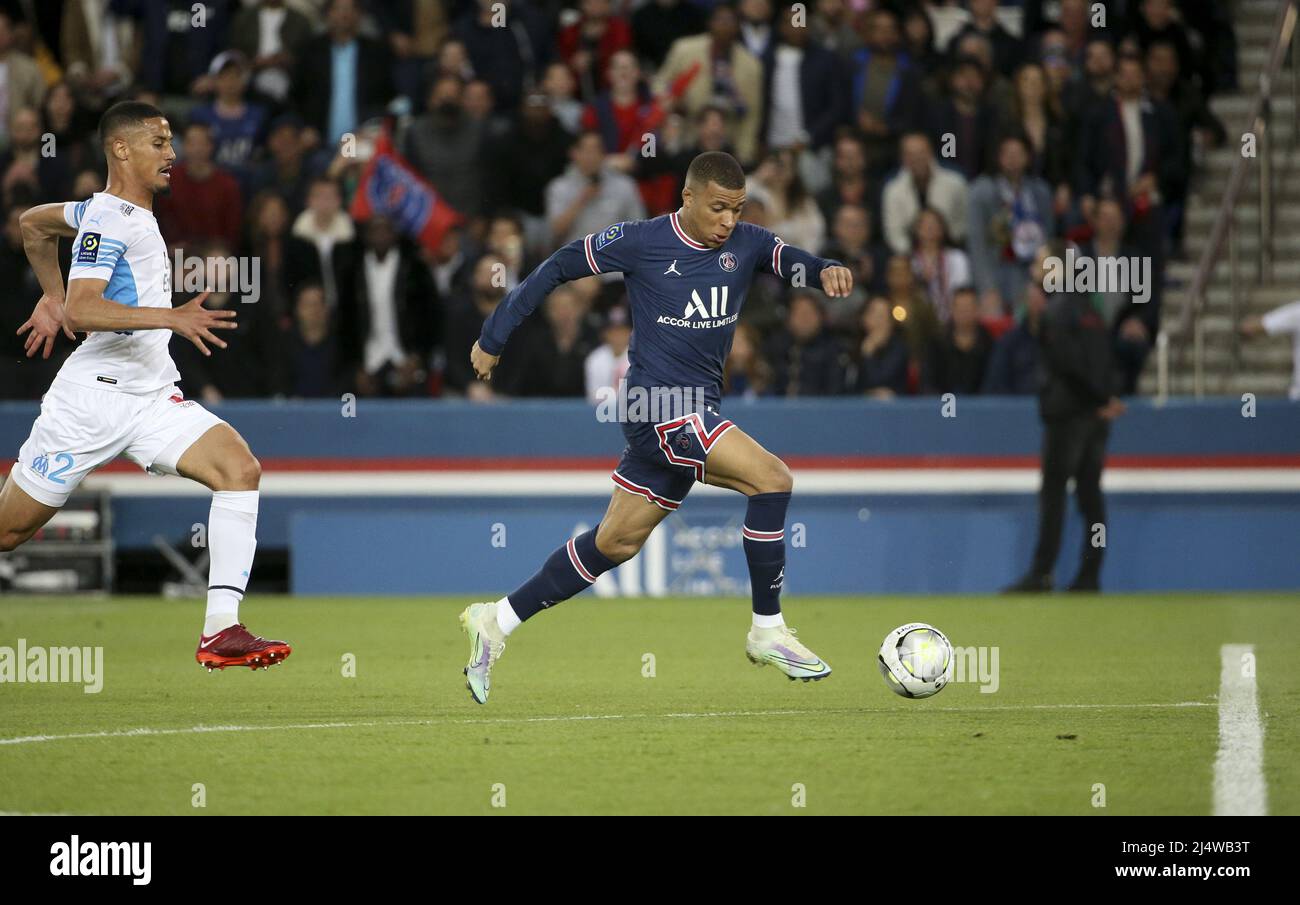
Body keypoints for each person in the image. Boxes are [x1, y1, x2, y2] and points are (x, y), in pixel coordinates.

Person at [461, 151, 853, 703]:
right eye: (718, 208)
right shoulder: (642, 241)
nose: (728, 222)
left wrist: (824, 270)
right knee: (773, 479)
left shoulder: (746, 243)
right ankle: (768, 629)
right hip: (660, 406)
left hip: (690, 411)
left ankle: (495, 621)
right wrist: (494, 335)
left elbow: (790, 260)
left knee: (614, 544)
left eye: (737, 210)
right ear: (687, 197)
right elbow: (557, 266)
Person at [5, 101, 291, 670]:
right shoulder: (110, 219)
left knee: (239, 469)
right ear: (121, 149)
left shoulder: (102, 211)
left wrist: (51, 294)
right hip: (91, 403)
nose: (172, 154)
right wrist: (168, 317)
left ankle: (221, 631)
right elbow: (85, 312)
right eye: (159, 143)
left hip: (150, 395)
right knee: (8, 532)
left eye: (170, 142)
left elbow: (32, 224)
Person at [1005, 242, 1126, 593]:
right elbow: (1103, 359)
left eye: (1042, 262)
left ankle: (1042, 573)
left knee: (1054, 495)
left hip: (1067, 415)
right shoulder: (1090, 308)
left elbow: (1067, 364)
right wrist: (1107, 398)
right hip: (1094, 416)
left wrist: (1100, 397)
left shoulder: (1056, 311)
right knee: (1091, 497)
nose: (1034, 269)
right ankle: (1090, 575)